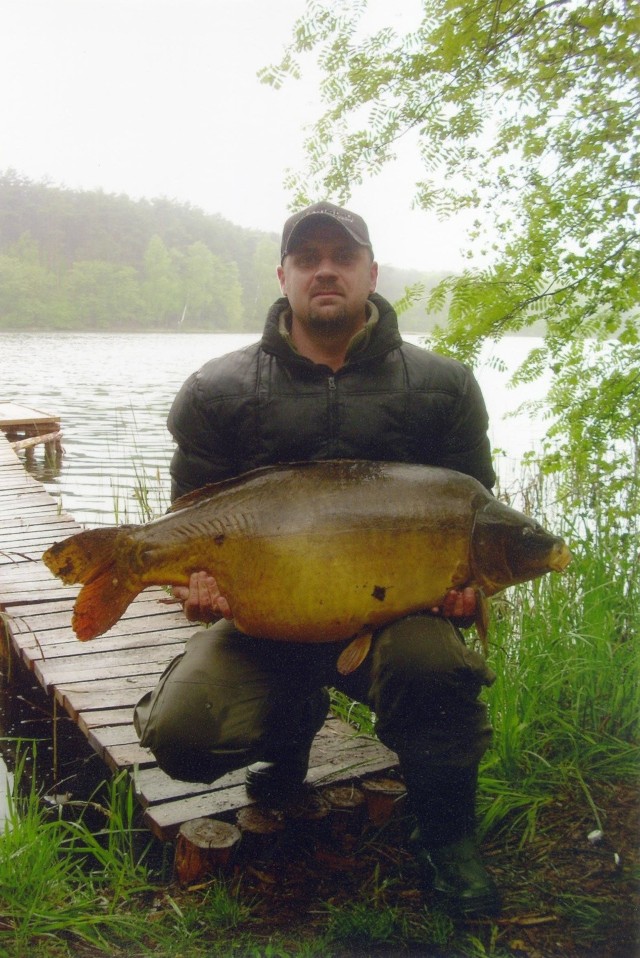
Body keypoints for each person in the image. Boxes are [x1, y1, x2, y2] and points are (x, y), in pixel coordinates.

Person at [134, 201, 500, 916]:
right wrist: (196, 588)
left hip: (396, 620)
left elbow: (476, 511)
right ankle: (291, 722)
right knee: (183, 735)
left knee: (436, 667)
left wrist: (466, 588)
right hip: (264, 617)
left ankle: (448, 835)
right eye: (309, 259)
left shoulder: (444, 386)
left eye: (342, 256)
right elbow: (191, 521)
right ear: (284, 275)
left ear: (371, 271)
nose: (325, 270)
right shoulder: (220, 389)